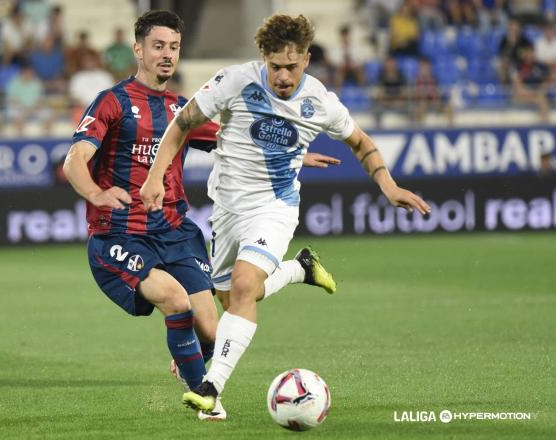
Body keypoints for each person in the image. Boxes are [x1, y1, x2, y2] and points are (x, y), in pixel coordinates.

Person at [140, 13, 431, 414]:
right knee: (236, 297)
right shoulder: (236, 81)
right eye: (275, 66)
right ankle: (300, 269)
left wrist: (389, 185)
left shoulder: (320, 101)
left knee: (243, 286)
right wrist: (155, 176)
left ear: (307, 60)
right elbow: (182, 123)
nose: (282, 76)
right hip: (226, 210)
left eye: (291, 66)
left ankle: (211, 388)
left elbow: (362, 143)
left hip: (274, 207)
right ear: (263, 57)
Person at [62, 10, 337, 422]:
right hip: (120, 234)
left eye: (173, 47)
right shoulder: (113, 102)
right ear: (138, 50)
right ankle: (208, 401)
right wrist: (97, 193)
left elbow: (237, 142)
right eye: (158, 46)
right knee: (176, 302)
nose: (167, 54)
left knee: (212, 329)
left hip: (174, 231)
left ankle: (292, 273)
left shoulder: (181, 107)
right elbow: (74, 161)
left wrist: (294, 155)